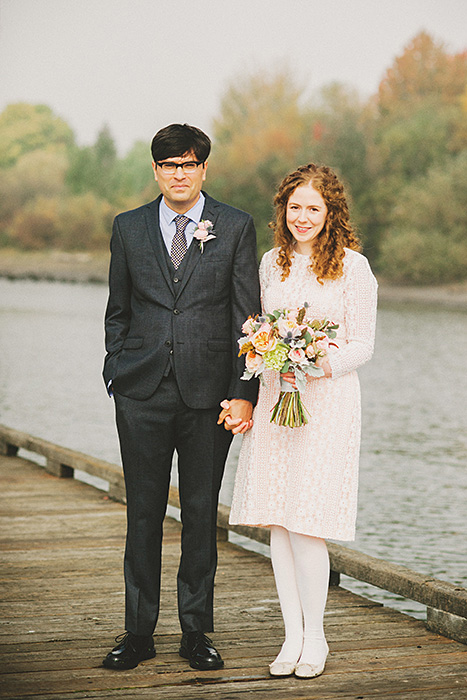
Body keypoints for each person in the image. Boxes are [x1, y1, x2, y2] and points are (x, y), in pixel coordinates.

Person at [102, 123, 260, 671]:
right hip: (141, 393)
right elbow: (118, 310)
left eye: (189, 164)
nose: (179, 174)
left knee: (199, 515)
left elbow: (247, 317)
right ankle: (137, 634)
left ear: (203, 170)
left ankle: (196, 633)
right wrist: (115, 372)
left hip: (208, 396)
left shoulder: (235, 226)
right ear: (155, 170)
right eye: (169, 165)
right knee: (142, 515)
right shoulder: (127, 228)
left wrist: (244, 392)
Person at [227, 163, 378, 679]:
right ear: (283, 210)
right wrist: (268, 354)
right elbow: (258, 329)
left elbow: (363, 344)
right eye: (295, 207)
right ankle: (290, 636)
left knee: (308, 522)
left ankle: (317, 638)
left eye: (314, 208)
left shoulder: (353, 268)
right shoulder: (272, 263)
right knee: (278, 519)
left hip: (327, 404)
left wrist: (313, 360)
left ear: (331, 211)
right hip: (275, 401)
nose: (303, 217)